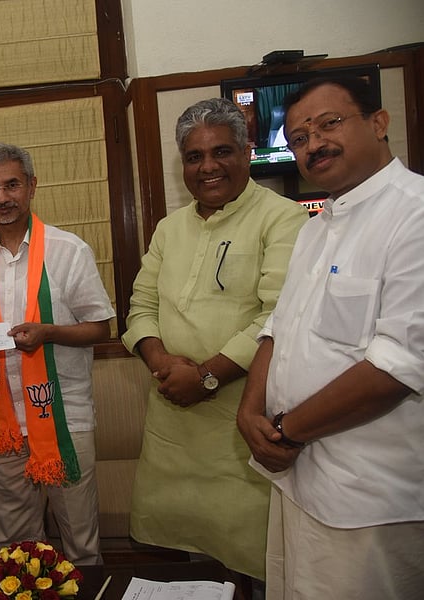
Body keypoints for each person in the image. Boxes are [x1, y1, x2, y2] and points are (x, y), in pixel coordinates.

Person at [237, 76, 424, 599]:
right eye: (298, 138)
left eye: (329, 124)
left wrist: (285, 431)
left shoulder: (414, 214)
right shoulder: (316, 225)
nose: (313, 144)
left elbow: (397, 367)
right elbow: (278, 326)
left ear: (378, 123)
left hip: (368, 499)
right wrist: (248, 412)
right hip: (296, 482)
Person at [121, 98, 308, 581]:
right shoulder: (169, 228)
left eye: (221, 151)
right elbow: (141, 307)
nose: (207, 167)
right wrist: (162, 361)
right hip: (173, 423)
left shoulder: (283, 219)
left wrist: (205, 378)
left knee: (253, 562)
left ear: (247, 153)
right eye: (194, 156)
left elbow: (278, 317)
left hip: (240, 422)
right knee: (189, 563)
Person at [0, 142, 114, 565]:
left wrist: (48, 333)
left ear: (32, 186)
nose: (2, 197)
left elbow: (101, 328)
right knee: (15, 546)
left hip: (65, 418)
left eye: (12, 185)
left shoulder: (68, 251)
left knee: (80, 541)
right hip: (2, 425)